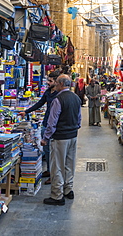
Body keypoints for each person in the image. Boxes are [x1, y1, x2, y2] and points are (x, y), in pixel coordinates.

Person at [41, 74, 81, 206]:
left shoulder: (58, 100)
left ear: (62, 84)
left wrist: (46, 138)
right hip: (73, 136)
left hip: (60, 137)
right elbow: (79, 118)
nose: (55, 85)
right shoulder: (76, 98)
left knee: (57, 166)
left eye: (57, 83)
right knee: (69, 164)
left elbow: (52, 122)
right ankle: (68, 189)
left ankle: (57, 195)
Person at [25, 71, 59, 184]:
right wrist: (26, 111)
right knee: (46, 149)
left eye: (50, 81)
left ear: (56, 81)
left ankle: (53, 174)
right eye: (48, 80)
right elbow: (40, 103)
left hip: (54, 125)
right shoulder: (48, 92)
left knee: (53, 151)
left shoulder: (59, 94)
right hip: (46, 123)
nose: (48, 83)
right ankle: (49, 170)